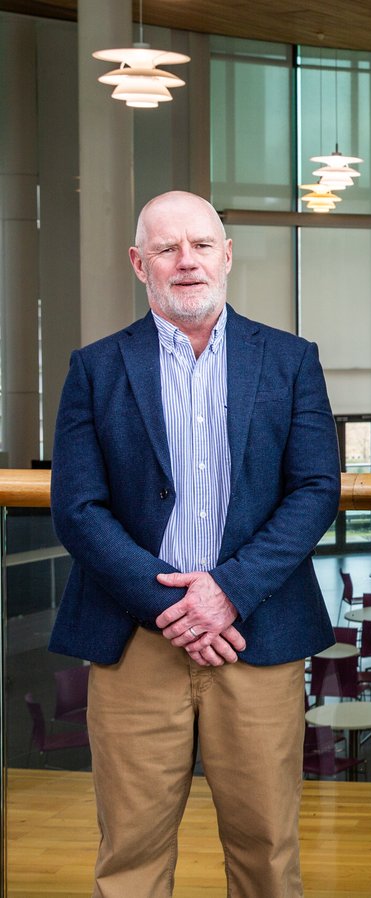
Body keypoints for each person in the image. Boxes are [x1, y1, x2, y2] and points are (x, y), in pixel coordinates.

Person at [49, 190, 342, 897]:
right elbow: (78, 508)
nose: (187, 262)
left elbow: (315, 491)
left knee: (267, 854)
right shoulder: (95, 368)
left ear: (227, 255)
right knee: (131, 857)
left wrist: (227, 592)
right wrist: (174, 606)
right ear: (138, 264)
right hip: (136, 639)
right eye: (167, 249)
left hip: (256, 633)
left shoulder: (290, 360)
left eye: (202, 245)